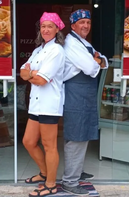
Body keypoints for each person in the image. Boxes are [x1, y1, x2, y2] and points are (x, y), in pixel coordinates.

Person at [62, 9, 108, 195]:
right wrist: (96, 60)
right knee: (76, 136)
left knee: (81, 134)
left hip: (84, 95)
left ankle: (76, 172)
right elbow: (91, 67)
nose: (86, 26)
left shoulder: (82, 43)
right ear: (73, 25)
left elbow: (104, 61)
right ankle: (70, 182)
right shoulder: (71, 44)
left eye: (88, 23)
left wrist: (98, 60)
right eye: (81, 22)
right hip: (76, 94)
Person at [20, 12, 66, 197]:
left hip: (49, 104)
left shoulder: (56, 51)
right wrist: (32, 74)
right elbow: (23, 72)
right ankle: (44, 172)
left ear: (57, 29)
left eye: (50, 26)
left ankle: (51, 184)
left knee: (49, 145)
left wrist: (32, 75)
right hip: (36, 105)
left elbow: (42, 81)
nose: (46, 29)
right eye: (43, 26)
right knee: (29, 142)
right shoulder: (38, 50)